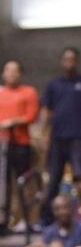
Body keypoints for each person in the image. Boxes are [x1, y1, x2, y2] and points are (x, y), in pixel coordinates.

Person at [41, 47, 81, 225]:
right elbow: (46, 111)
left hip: (78, 139)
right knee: (53, 182)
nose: (69, 62)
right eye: (66, 59)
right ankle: (47, 221)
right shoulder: (53, 84)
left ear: (77, 61)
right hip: (57, 139)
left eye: (73, 59)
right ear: (61, 61)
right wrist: (44, 135)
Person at [0, 59, 39, 232]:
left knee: (23, 182)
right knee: (3, 184)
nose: (11, 73)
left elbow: (31, 116)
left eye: (15, 70)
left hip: (21, 144)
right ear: (3, 73)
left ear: (20, 74)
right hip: (2, 144)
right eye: (8, 70)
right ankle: (3, 220)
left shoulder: (28, 92)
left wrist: (13, 121)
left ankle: (27, 221)